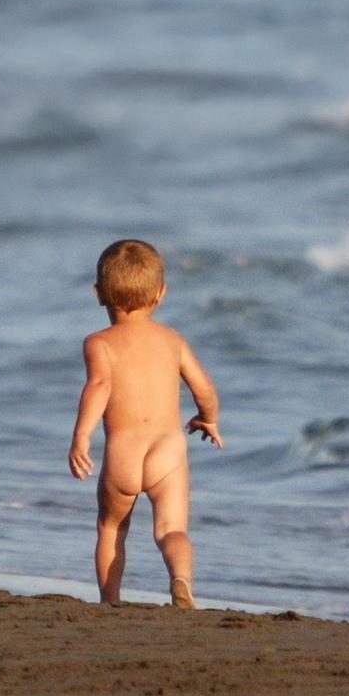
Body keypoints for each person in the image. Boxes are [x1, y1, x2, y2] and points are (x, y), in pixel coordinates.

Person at [66, 238, 223, 608]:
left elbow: (100, 386)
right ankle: (181, 582)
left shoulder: (98, 343)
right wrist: (209, 418)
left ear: (99, 294)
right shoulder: (172, 340)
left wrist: (82, 435)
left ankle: (110, 600)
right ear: (161, 294)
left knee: (111, 528)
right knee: (172, 529)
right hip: (166, 453)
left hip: (123, 453)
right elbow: (203, 386)